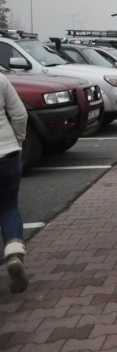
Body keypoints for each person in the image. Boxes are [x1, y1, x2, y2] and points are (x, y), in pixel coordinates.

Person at [0, 73, 29, 293]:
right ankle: (13, 253)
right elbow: (19, 115)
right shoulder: (0, 78)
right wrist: (17, 141)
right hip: (7, 154)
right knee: (9, 207)